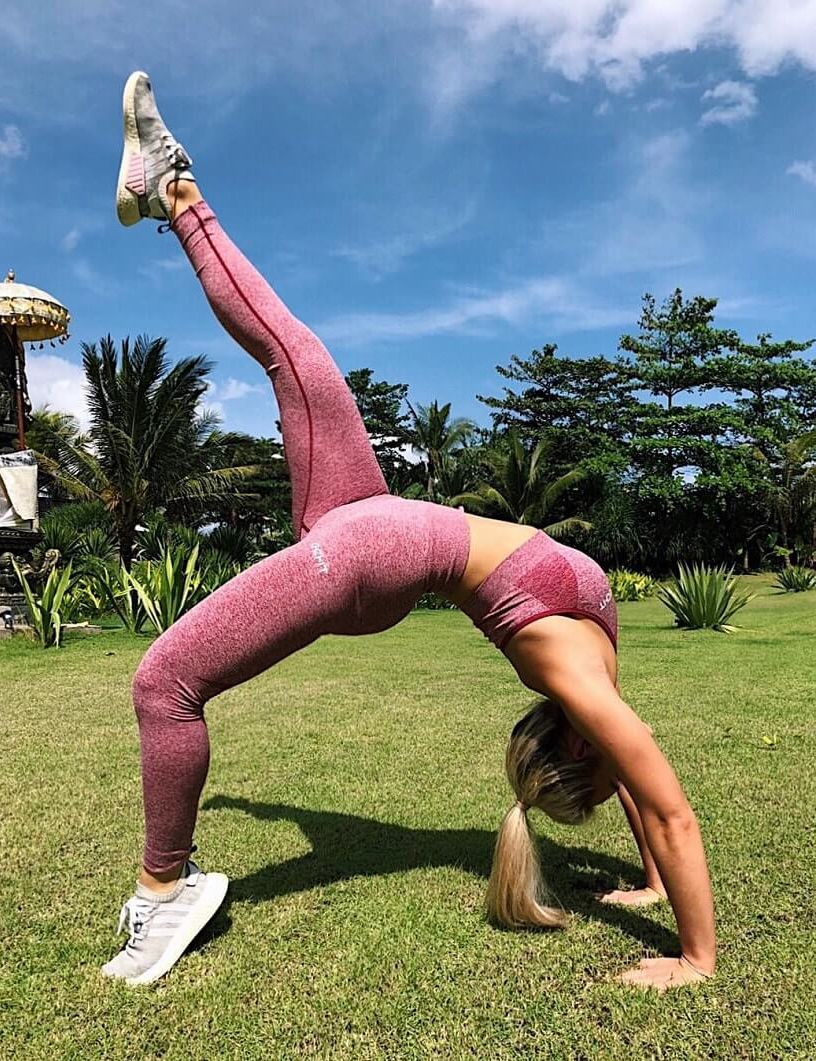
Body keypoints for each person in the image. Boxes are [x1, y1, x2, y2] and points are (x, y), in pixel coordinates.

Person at [103, 72, 716, 990]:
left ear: (578, 741)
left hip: (376, 556)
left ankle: (164, 886)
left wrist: (691, 951)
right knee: (296, 355)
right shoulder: (595, 684)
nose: (619, 756)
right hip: (379, 518)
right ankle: (176, 191)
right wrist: (657, 893)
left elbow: (666, 808)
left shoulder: (578, 673)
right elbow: (649, 800)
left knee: (165, 683)